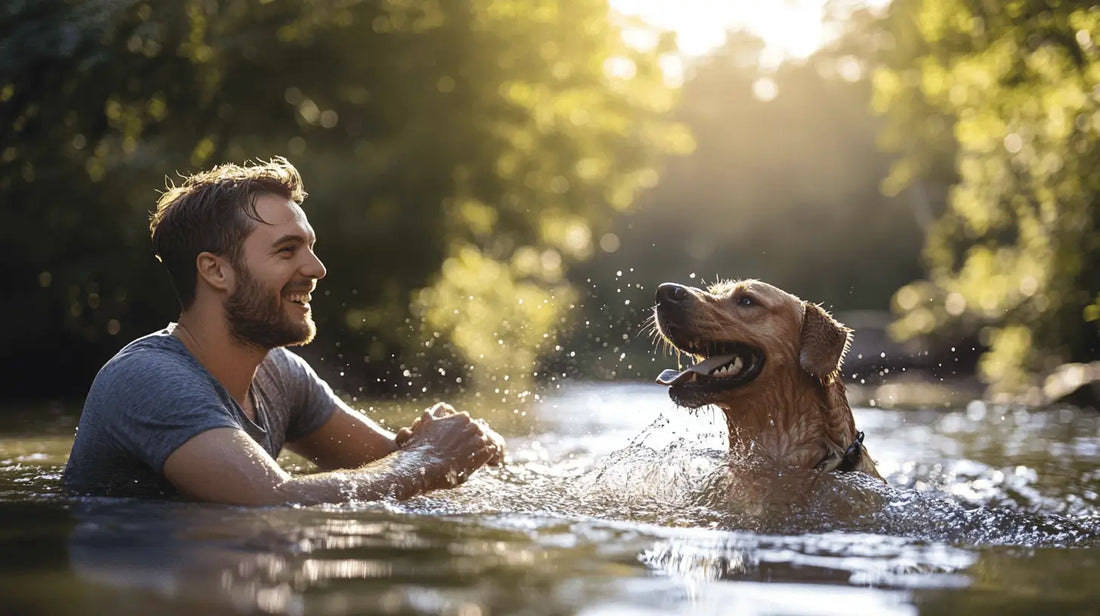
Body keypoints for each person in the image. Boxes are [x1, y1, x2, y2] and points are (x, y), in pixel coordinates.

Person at [62, 157, 504, 505]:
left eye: (310, 248)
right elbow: (272, 500)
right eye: (287, 250)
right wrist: (430, 457)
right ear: (215, 270)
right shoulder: (148, 379)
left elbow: (391, 465)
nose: (316, 269)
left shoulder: (281, 375)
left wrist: (471, 446)